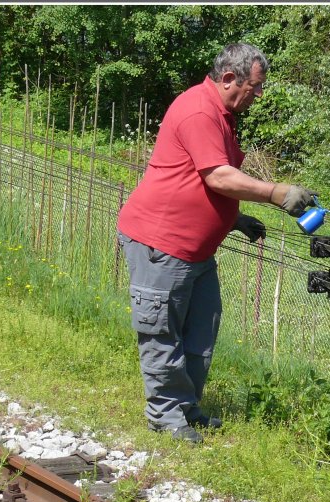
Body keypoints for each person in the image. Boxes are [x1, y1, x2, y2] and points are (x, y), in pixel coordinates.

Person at [116, 43, 316, 443]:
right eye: (255, 88)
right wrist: (277, 193)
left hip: (196, 250)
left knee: (200, 332)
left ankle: (186, 407)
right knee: (162, 333)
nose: (258, 96)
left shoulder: (221, 114)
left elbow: (193, 176)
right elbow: (217, 177)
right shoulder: (199, 110)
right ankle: (165, 415)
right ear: (229, 79)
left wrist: (233, 218)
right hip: (162, 243)